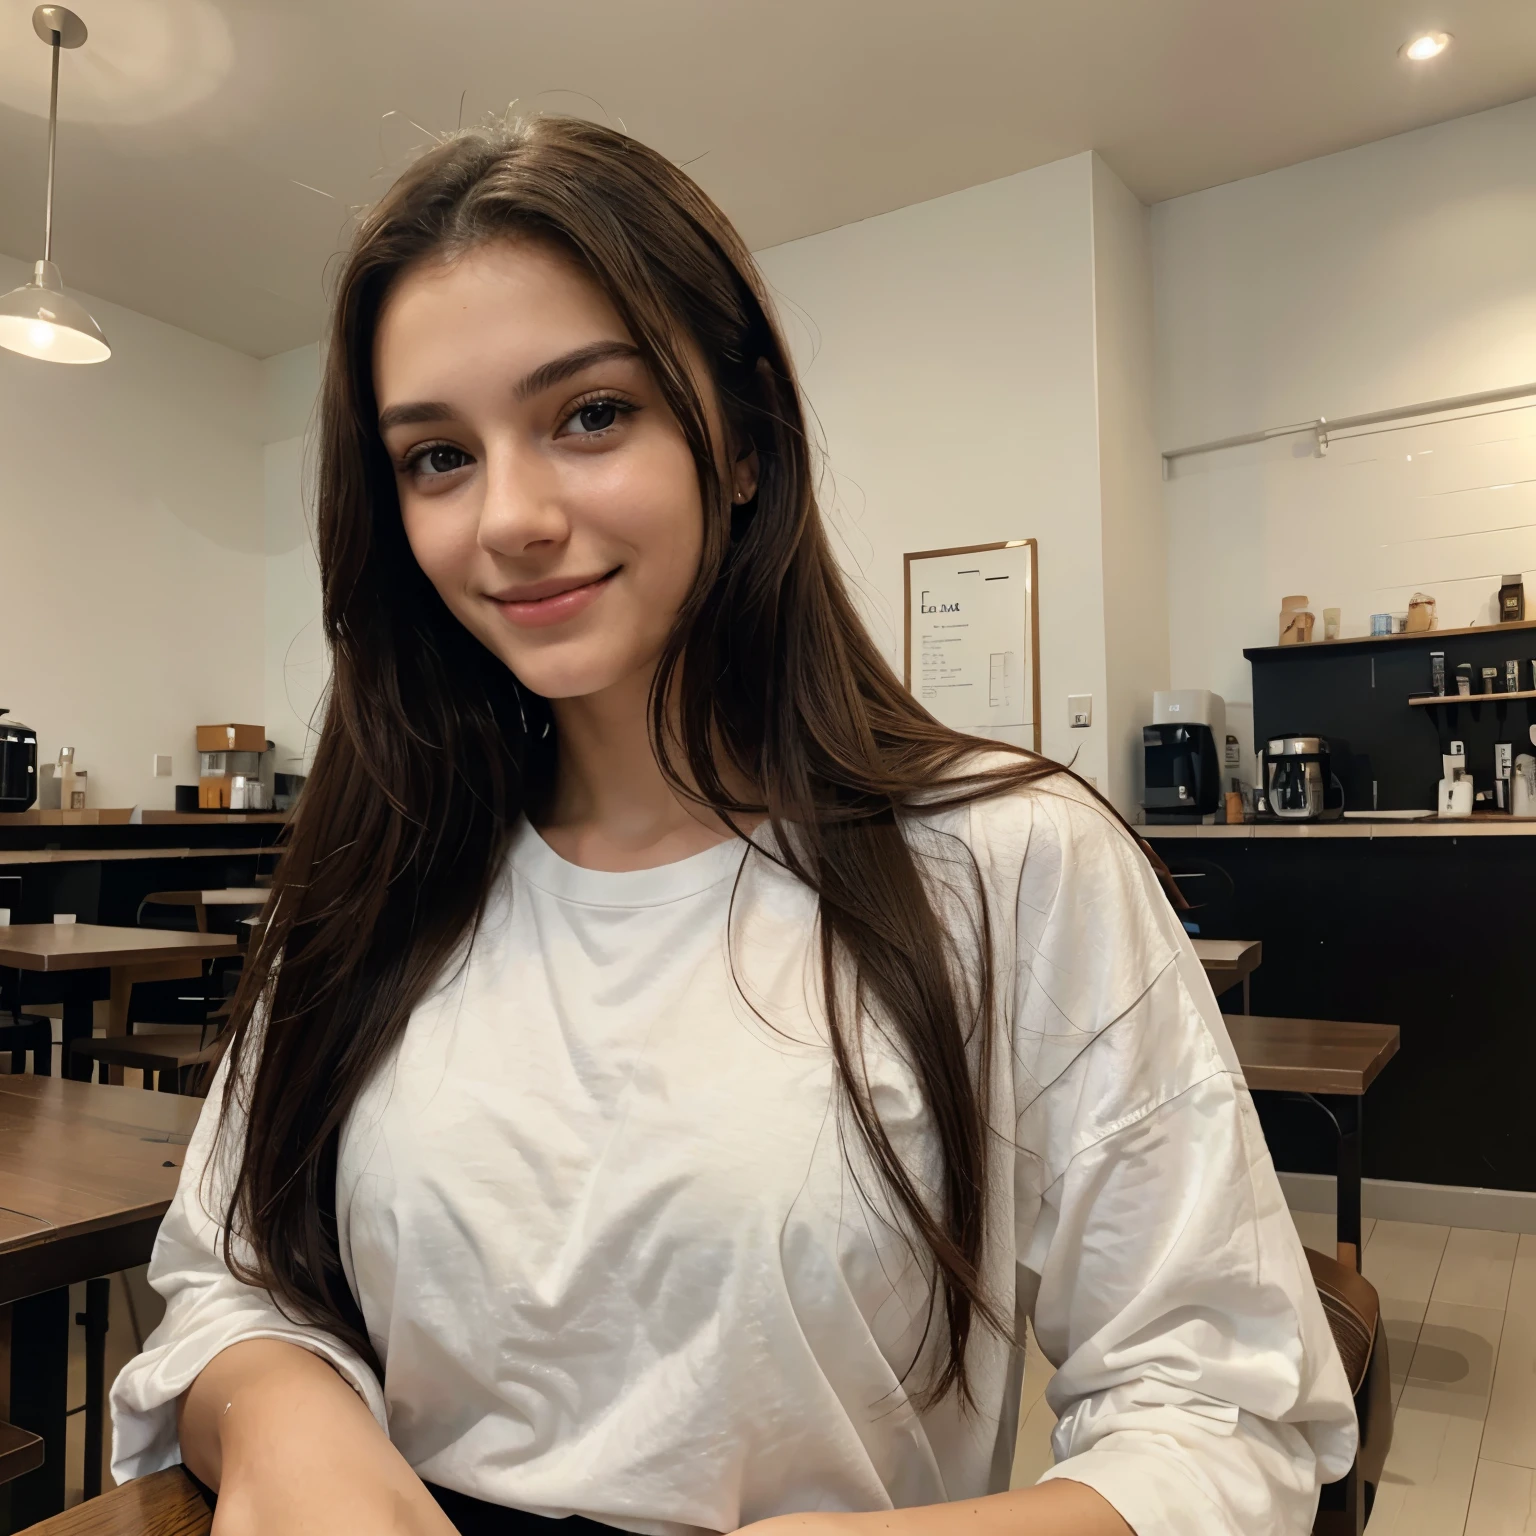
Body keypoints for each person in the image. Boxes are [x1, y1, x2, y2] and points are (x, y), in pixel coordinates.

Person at [112, 116, 1354, 1536]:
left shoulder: (1012, 862)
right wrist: (279, 1406)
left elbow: (1228, 1415)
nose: (508, 517)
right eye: (438, 457)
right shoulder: (374, 871)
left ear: (745, 440)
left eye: (590, 414)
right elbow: (225, 1272)